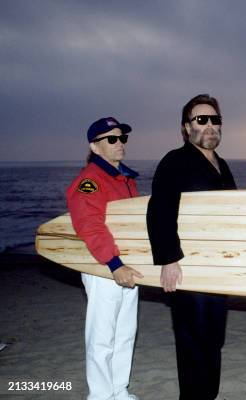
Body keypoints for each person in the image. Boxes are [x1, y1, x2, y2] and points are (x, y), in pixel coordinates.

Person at [146, 94, 236, 400]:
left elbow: (232, 215)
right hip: (187, 270)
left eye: (215, 120)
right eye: (201, 120)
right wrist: (169, 260)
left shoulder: (222, 165)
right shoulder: (175, 162)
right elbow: (159, 211)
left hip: (216, 271)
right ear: (187, 127)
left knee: (214, 340)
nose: (210, 126)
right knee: (192, 343)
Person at [66, 117, 143, 400]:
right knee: (102, 337)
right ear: (95, 147)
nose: (120, 143)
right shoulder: (89, 182)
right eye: (111, 139)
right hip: (104, 267)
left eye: (122, 138)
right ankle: (99, 395)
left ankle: (118, 389)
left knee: (125, 332)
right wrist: (114, 264)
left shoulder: (124, 178)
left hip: (128, 265)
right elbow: (90, 226)